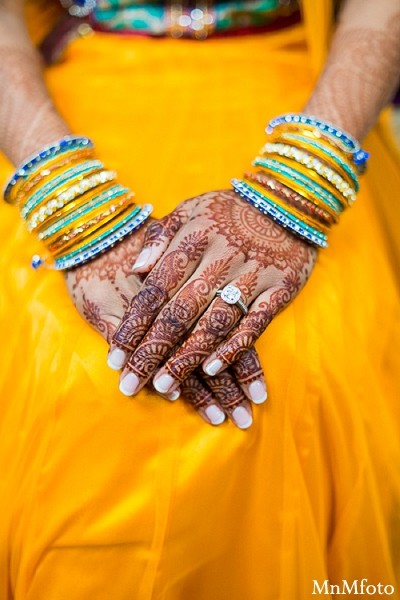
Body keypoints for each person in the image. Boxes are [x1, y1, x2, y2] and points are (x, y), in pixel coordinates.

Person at [0, 0, 399, 597]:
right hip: (50, 113)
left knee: (305, 357)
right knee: (68, 367)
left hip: (314, 97)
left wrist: (297, 192)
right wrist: (73, 206)